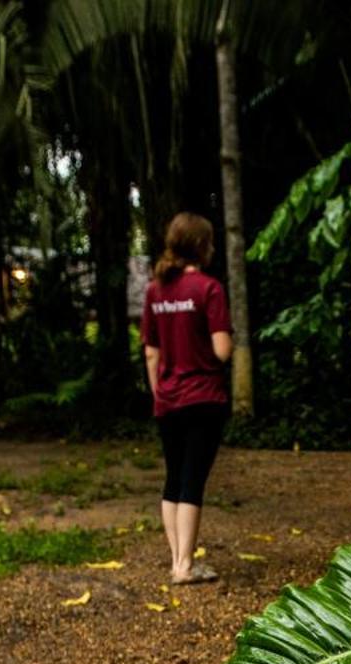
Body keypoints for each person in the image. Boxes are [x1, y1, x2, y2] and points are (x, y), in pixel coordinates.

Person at [141, 211, 232, 585]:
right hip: (204, 397)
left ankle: (176, 560)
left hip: (168, 400)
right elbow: (222, 349)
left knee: (174, 478)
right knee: (192, 480)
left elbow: (150, 351)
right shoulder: (208, 289)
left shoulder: (154, 290)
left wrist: (158, 390)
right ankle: (184, 566)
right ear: (202, 246)